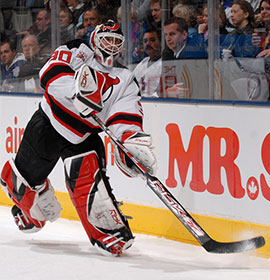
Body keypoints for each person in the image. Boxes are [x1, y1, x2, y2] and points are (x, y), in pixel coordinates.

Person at [0, 20, 156, 257]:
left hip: (84, 136)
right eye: (106, 39)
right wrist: (76, 92)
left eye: (116, 42)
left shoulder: (125, 78)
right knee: (20, 185)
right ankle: (34, 196)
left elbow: (127, 114)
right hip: (48, 124)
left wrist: (128, 142)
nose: (110, 46)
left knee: (91, 188)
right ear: (94, 39)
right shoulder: (77, 50)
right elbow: (49, 73)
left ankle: (107, 233)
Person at [133, 27, 162, 97]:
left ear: (161, 42)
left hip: (157, 104)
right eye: (145, 41)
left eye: (152, 40)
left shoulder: (164, 64)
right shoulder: (143, 62)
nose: (148, 43)